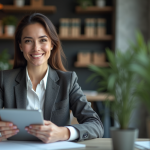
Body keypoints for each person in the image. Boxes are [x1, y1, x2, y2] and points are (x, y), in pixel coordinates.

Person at [0, 13, 104, 143]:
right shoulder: (5, 79)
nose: (36, 48)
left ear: (52, 44)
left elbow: (96, 125)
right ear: (21, 46)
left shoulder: (68, 81)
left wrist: (63, 133)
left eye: (43, 40)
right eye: (28, 41)